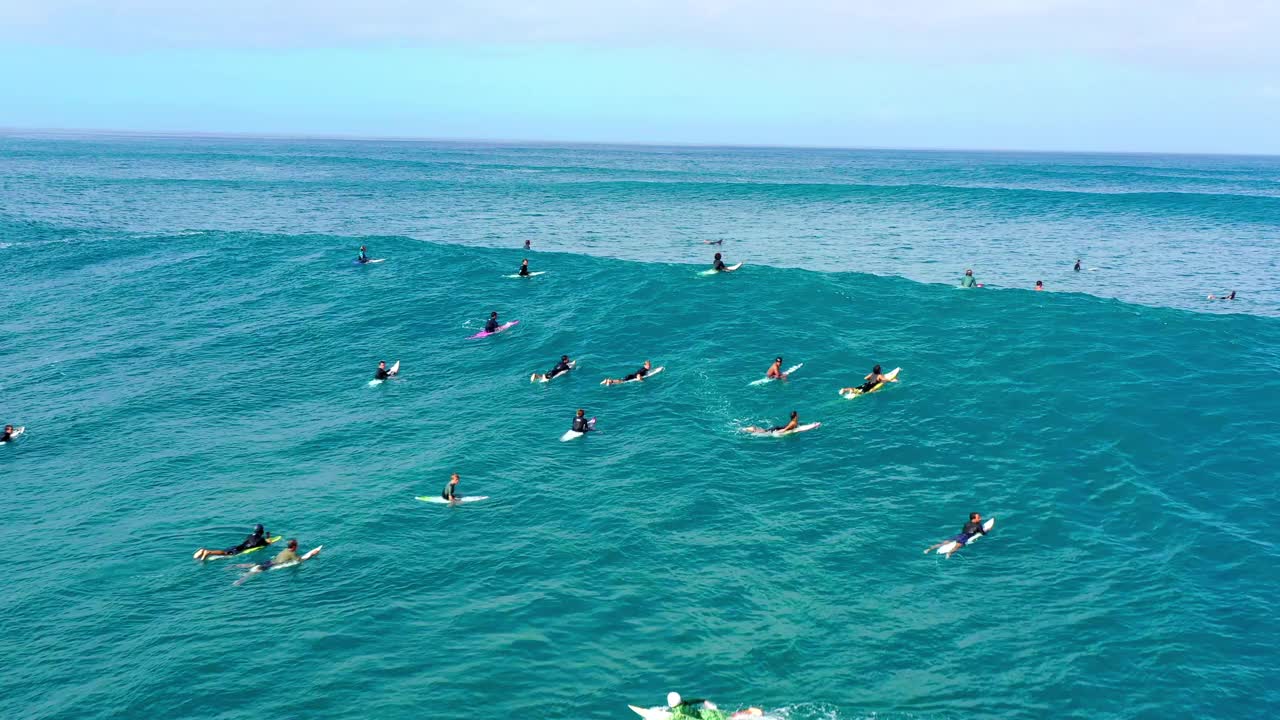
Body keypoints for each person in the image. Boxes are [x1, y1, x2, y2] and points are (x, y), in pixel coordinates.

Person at [923, 512, 989, 557]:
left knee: (942, 543)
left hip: (958, 535)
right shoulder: (978, 525)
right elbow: (983, 533)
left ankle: (928, 550)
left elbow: (965, 530)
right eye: (979, 517)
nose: (980, 518)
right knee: (957, 547)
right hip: (965, 537)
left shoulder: (966, 523)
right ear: (974, 519)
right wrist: (987, 530)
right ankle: (949, 553)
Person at [193, 524, 272, 561]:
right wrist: (268, 536)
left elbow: (251, 540)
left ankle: (202, 552)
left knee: (225, 551)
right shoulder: (261, 539)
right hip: (240, 550)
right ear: (262, 531)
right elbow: (268, 543)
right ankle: (208, 552)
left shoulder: (249, 535)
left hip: (237, 547)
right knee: (225, 554)